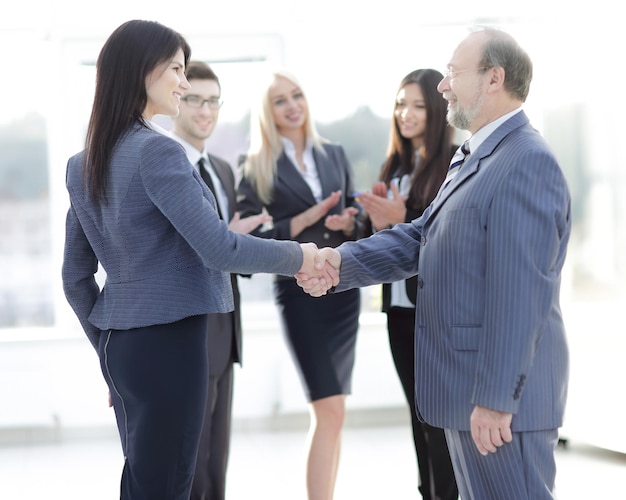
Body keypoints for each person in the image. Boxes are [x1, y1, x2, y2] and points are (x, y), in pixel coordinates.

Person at [298, 26, 571, 500]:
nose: (443, 85)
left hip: (497, 405)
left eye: (452, 73)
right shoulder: (476, 155)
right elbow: (422, 236)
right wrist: (339, 262)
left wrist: (494, 400)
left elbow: (522, 295)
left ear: (493, 79)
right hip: (469, 396)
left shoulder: (525, 161)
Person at [61, 20, 328, 500]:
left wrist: (106, 347)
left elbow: (75, 278)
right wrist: (300, 255)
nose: (184, 84)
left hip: (122, 349)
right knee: (167, 486)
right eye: (177, 70)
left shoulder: (84, 161)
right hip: (169, 345)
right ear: (145, 71)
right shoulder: (158, 152)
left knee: (143, 482)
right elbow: (219, 248)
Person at [236, 69, 361, 500]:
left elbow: (355, 217)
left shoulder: (335, 154)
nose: (292, 105)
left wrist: (350, 220)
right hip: (299, 295)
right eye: (280, 100)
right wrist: (303, 221)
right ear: (266, 113)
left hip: (342, 291)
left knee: (336, 412)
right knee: (326, 408)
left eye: (297, 95)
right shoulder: (253, 167)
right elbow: (246, 242)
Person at [170, 61, 270, 500]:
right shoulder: (168, 168)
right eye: (195, 99)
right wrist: (227, 240)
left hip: (225, 330)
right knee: (191, 456)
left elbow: (230, 252)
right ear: (176, 101)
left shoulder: (225, 171)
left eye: (214, 100)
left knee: (217, 456)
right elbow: (179, 253)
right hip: (188, 331)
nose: (206, 110)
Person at [357, 69, 458, 500]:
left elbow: (450, 238)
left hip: (433, 312)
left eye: (417, 105)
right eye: (401, 103)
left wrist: (400, 219)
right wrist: (359, 224)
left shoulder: (455, 160)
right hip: (398, 312)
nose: (406, 113)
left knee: (438, 419)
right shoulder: (394, 165)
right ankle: (427, 491)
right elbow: (383, 241)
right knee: (417, 414)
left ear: (436, 110)